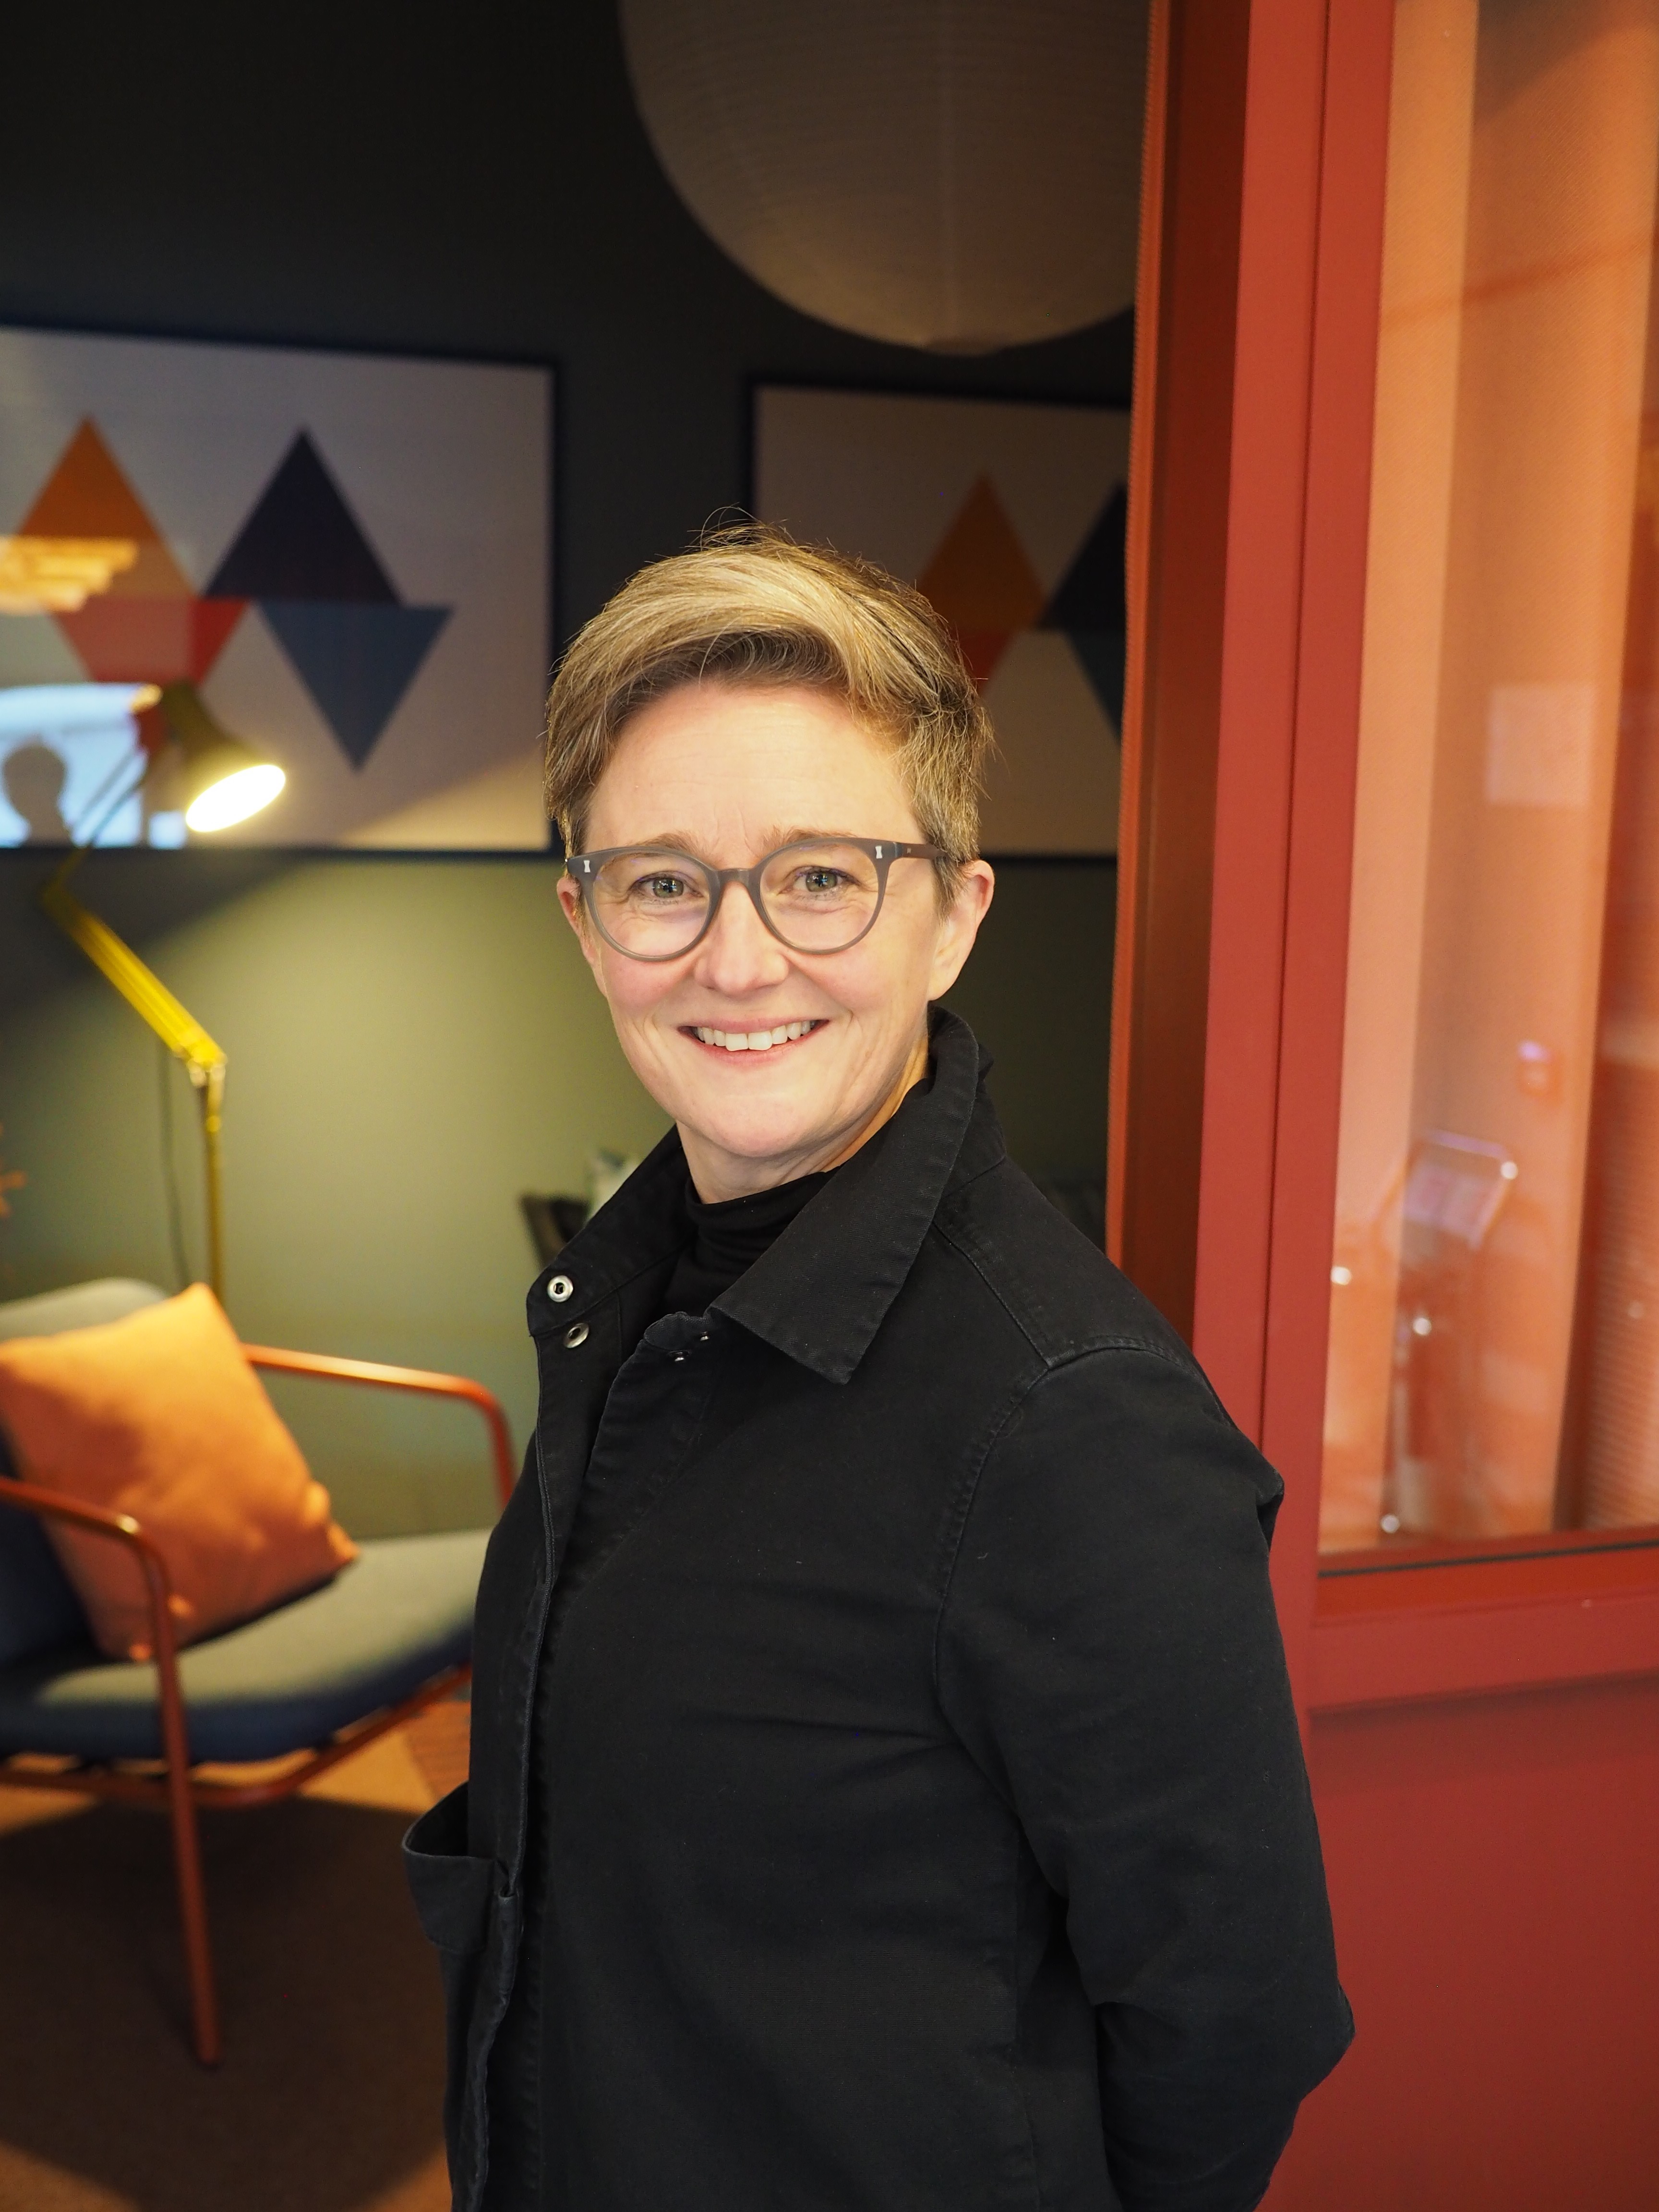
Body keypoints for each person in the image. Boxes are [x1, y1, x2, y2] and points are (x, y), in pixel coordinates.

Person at [406, 525, 1352, 2212]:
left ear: (954, 916)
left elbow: (1235, 2019)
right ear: (585, 922)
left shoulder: (1068, 1419)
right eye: (664, 880)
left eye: (823, 875)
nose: (739, 956)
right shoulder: (635, 1295)